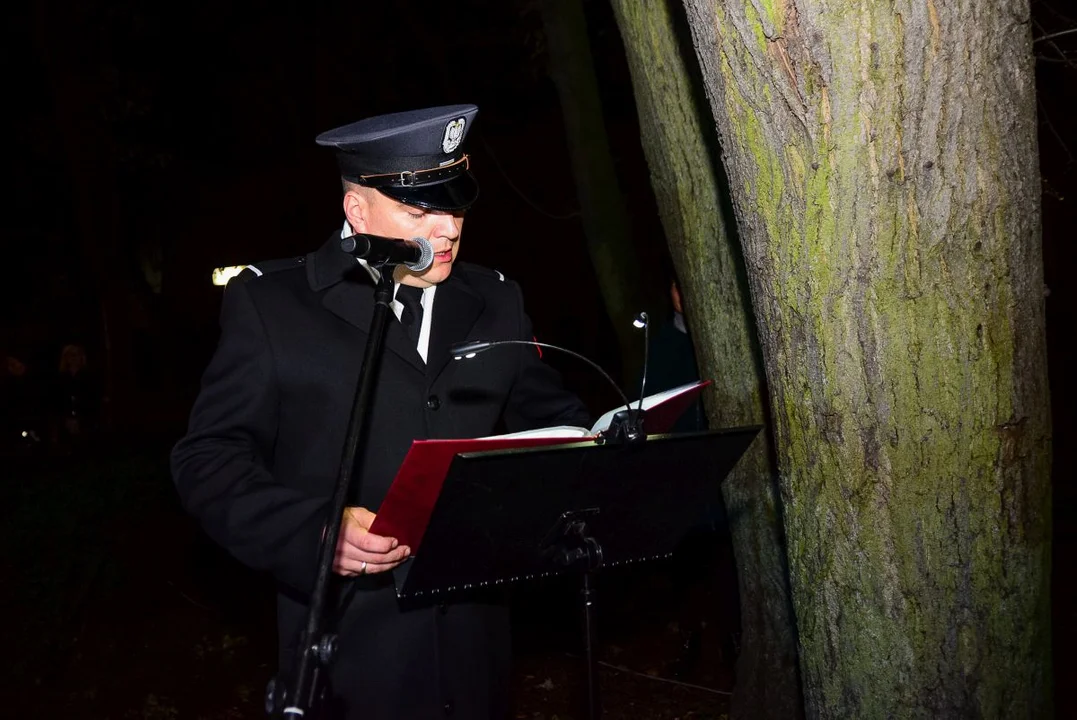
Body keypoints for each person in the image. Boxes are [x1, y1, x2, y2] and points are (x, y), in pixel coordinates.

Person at [171, 104, 590, 719]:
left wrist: (595, 440)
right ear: (357, 209)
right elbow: (207, 458)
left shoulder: (496, 299)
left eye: (456, 208)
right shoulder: (274, 305)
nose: (447, 230)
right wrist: (311, 530)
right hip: (352, 658)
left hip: (479, 651)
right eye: (421, 211)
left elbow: (549, 413)